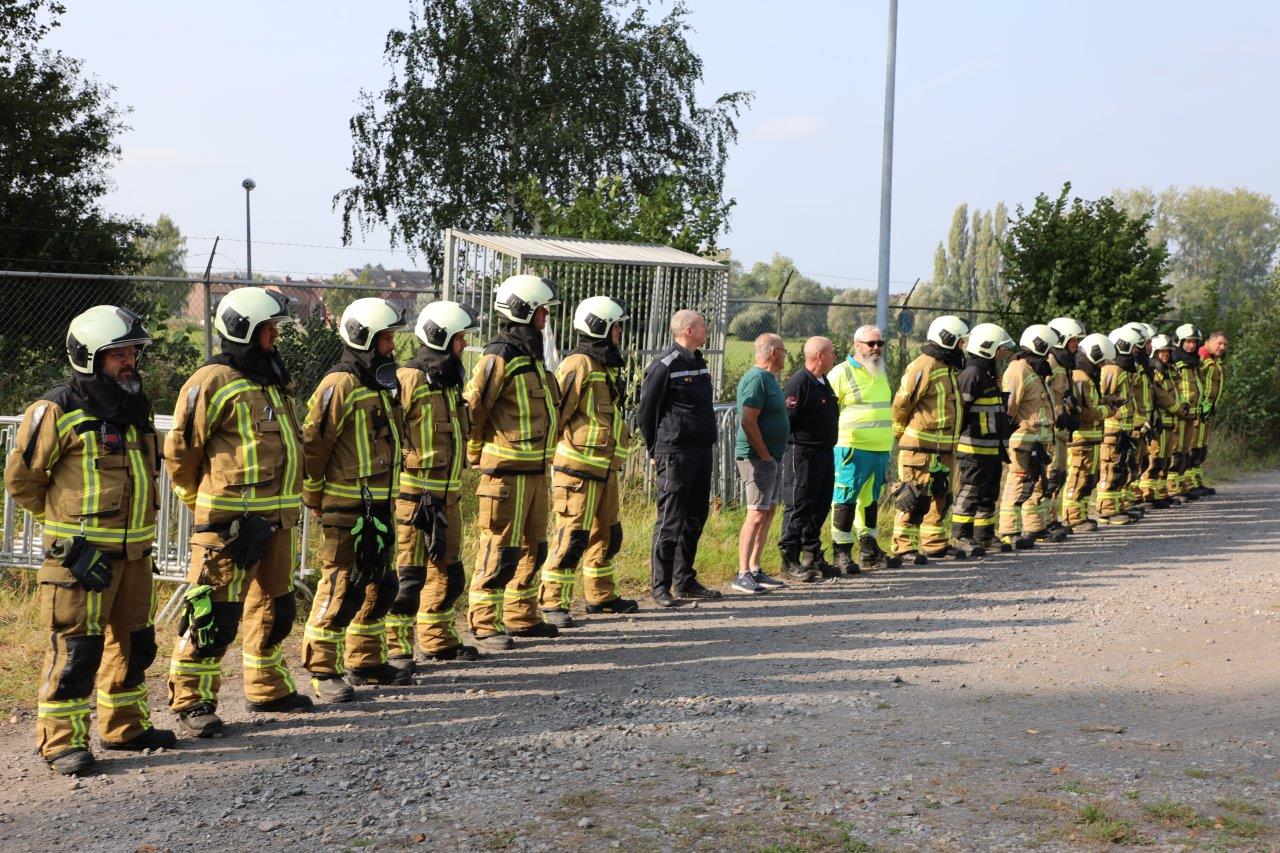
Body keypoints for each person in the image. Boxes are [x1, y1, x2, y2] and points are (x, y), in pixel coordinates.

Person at [5, 306, 176, 775]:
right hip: (81, 560)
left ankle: (124, 727)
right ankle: (61, 743)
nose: (129, 361)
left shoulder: (134, 408)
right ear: (89, 356)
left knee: (136, 645)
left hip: (135, 556)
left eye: (132, 353)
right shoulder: (56, 409)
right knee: (77, 651)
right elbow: (22, 482)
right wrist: (63, 534)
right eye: (118, 354)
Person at [165, 287, 311, 738]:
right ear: (244, 330)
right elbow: (181, 452)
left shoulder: (272, 380)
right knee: (214, 615)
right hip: (229, 527)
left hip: (277, 521)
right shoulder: (211, 380)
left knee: (276, 608)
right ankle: (191, 699)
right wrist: (203, 508)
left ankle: (267, 687)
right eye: (268, 329)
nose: (275, 337)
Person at [300, 298, 410, 700]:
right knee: (340, 586)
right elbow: (314, 443)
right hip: (345, 506)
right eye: (385, 339)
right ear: (363, 338)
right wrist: (314, 494)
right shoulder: (340, 384)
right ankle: (321, 668)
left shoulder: (379, 384)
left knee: (381, 584)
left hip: (379, 504)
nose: (392, 347)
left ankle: (365, 661)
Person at [465, 274, 563, 649]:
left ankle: (521, 614)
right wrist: (475, 449)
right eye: (541, 311)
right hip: (505, 471)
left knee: (534, 546)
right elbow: (475, 405)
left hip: (535, 470)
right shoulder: (499, 355)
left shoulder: (532, 356)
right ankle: (483, 622)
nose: (545, 317)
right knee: (499, 548)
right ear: (523, 311)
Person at [386, 301, 484, 666]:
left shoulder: (447, 382)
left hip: (447, 496)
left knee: (449, 573)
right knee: (409, 577)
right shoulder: (408, 379)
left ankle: (437, 639)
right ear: (440, 338)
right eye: (459, 338)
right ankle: (395, 647)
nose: (463, 345)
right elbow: (390, 433)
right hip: (414, 498)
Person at [538, 296, 640, 626]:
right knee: (572, 537)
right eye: (615, 326)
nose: (620, 331)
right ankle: (553, 603)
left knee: (608, 535)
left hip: (604, 467)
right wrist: (549, 456)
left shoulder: (603, 365)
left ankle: (601, 596)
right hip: (577, 469)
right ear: (599, 327)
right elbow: (558, 414)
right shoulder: (577, 364)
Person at [637, 309, 722, 606]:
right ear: (688, 330)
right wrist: (654, 450)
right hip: (674, 452)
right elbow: (646, 412)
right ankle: (660, 586)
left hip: (701, 450)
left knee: (695, 517)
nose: (707, 329)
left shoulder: (699, 362)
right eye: (703, 325)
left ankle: (684, 579)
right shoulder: (665, 364)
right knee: (670, 520)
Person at [889, 315, 968, 564]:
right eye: (960, 341)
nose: (963, 346)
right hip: (920, 447)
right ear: (948, 339)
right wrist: (899, 431)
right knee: (913, 496)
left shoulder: (947, 366)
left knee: (941, 495)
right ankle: (903, 546)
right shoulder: (924, 365)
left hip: (943, 447)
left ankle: (934, 543)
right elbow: (902, 401)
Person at [827, 327, 899, 574]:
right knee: (845, 498)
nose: (876, 348)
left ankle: (869, 550)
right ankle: (841, 552)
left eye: (880, 343)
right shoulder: (841, 372)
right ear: (857, 344)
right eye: (871, 343)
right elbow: (827, 410)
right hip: (851, 447)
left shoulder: (879, 370)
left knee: (870, 500)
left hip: (880, 448)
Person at [732, 333, 790, 594]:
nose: (786, 356)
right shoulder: (756, 379)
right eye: (784, 351)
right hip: (757, 458)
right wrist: (764, 455)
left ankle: (755, 568)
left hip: (772, 458)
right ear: (774, 352)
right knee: (755, 513)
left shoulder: (770, 379)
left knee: (768, 511)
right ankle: (743, 572)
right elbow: (748, 421)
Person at [779, 336, 839, 581]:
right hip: (803, 453)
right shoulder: (800, 382)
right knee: (799, 504)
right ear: (820, 356)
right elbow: (788, 418)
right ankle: (789, 558)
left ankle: (812, 555)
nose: (835, 357)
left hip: (824, 451)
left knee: (820, 504)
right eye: (832, 352)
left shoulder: (822, 381)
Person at [951, 323, 1014, 557]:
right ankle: (961, 535)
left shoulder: (988, 374)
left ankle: (984, 535)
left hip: (991, 449)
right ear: (987, 348)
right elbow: (961, 412)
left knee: (988, 493)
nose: (1002, 353)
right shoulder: (972, 374)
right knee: (970, 491)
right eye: (999, 349)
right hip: (974, 449)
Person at [997, 324, 1060, 549]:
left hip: (1038, 440)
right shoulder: (1019, 369)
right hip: (1023, 439)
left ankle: (1034, 527)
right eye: (1048, 348)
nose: (1050, 353)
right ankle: (1009, 531)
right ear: (1039, 345)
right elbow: (1010, 407)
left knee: (1036, 484)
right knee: (1017, 482)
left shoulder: (1035, 370)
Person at [1062, 333, 1112, 532]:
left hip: (1091, 438)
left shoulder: (1088, 377)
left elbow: (1091, 403)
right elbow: (1085, 412)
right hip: (1081, 438)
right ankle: (1072, 517)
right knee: (1078, 476)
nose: (1102, 366)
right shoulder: (1081, 378)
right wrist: (1109, 410)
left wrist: (1107, 402)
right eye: (1101, 362)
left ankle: (1080, 516)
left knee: (1088, 479)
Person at [1095, 325, 1144, 525]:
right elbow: (1103, 396)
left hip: (1123, 428)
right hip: (1113, 427)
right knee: (1110, 468)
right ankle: (1106, 510)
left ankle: (1117, 506)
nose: (1136, 351)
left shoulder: (1123, 369)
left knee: (1119, 468)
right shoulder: (1112, 369)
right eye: (1134, 347)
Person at [1136, 334, 1183, 509]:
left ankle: (1160, 493)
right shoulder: (1154, 371)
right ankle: (1148, 494)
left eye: (1168, 352)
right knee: (1154, 459)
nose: (1165, 355)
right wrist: (1179, 408)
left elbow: (1175, 392)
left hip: (1170, 422)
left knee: (1165, 459)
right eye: (1161, 352)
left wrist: (1181, 405)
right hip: (1159, 421)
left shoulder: (1169, 370)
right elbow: (1162, 396)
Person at [1167, 324, 1204, 500]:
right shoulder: (1176, 361)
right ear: (1180, 342)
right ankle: (1172, 488)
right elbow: (1174, 387)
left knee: (1185, 450)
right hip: (1180, 413)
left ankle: (1181, 486)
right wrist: (1179, 406)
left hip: (1192, 413)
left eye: (1194, 342)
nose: (1191, 345)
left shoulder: (1194, 361)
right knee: (1176, 448)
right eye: (1188, 342)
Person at [1189, 331, 1227, 497]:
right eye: (1219, 343)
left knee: (1201, 446)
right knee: (1193, 444)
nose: (1222, 347)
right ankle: (1188, 484)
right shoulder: (1201, 358)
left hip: (1208, 408)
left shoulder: (1215, 360)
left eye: (1225, 344)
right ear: (1209, 342)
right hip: (1199, 407)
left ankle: (1197, 482)